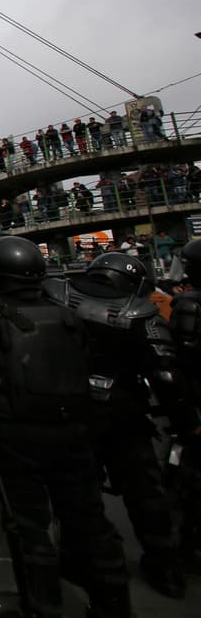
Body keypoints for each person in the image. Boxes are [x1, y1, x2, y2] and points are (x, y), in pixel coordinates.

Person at [0, 235, 132, 618]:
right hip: (74, 430)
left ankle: (42, 608)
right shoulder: (68, 313)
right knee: (88, 518)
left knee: (29, 524)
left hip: (17, 433)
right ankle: (113, 603)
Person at [45, 251, 192, 598]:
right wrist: (187, 423)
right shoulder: (142, 315)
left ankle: (78, 557)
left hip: (72, 410)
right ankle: (163, 564)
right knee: (144, 494)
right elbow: (167, 376)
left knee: (78, 493)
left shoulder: (59, 298)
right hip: (124, 415)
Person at [166, 239, 201, 571]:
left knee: (190, 481)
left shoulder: (189, 305)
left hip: (194, 403)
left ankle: (187, 549)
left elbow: (180, 363)